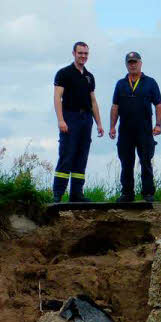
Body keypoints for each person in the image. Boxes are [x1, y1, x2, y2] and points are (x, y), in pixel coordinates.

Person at [52, 42, 104, 202]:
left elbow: (93, 101)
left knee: (82, 156)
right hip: (70, 117)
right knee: (67, 155)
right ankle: (58, 194)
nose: (83, 56)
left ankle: (76, 194)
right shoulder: (64, 73)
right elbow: (57, 97)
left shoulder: (89, 76)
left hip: (86, 119)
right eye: (80, 53)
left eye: (86, 54)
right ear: (74, 53)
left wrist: (99, 124)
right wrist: (61, 120)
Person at [109, 51, 161, 202]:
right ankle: (127, 193)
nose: (132, 65)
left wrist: (158, 125)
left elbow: (158, 105)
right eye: (130, 62)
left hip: (144, 130)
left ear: (140, 63)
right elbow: (115, 106)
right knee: (126, 162)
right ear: (126, 65)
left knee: (146, 161)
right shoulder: (120, 84)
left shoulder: (150, 82)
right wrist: (112, 127)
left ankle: (147, 193)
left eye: (135, 62)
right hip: (125, 130)